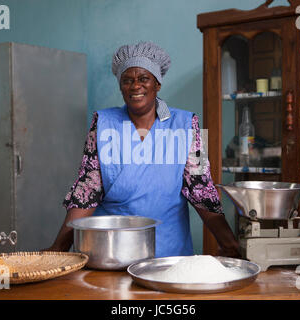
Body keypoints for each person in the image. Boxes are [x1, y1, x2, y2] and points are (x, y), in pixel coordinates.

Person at [45, 41, 240, 258]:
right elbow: (87, 189)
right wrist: (58, 249)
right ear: (120, 86)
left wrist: (230, 244)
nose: (135, 86)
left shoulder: (188, 123)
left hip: (167, 253)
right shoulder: (102, 123)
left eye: (143, 78)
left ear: (157, 84)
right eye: (127, 80)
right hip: (111, 251)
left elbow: (201, 189)